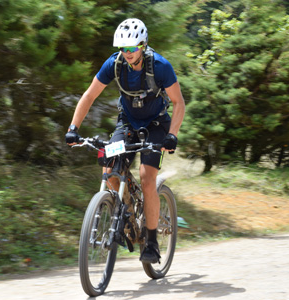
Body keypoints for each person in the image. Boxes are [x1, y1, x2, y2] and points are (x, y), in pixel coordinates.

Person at [65, 18, 185, 264]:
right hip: (128, 124)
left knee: (146, 177)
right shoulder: (115, 64)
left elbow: (178, 103)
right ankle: (128, 215)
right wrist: (73, 128)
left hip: (156, 126)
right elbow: (89, 96)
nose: (127, 53)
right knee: (109, 169)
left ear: (143, 45)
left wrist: (172, 135)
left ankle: (151, 242)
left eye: (131, 48)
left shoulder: (161, 66)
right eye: (123, 49)